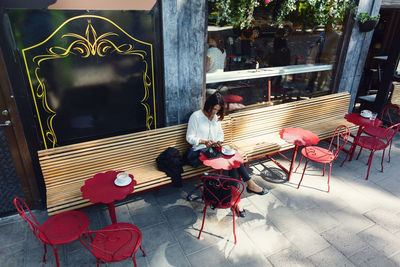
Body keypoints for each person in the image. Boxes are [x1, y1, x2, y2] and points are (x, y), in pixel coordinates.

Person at [186, 92, 269, 217]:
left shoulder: (215, 118)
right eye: (213, 109)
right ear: (208, 105)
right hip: (200, 151)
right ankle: (245, 190)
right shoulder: (196, 116)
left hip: (214, 150)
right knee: (233, 163)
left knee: (234, 160)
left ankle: (237, 198)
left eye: (217, 110)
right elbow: (189, 138)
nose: (214, 113)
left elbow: (220, 135)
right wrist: (204, 141)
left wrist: (219, 141)